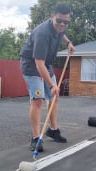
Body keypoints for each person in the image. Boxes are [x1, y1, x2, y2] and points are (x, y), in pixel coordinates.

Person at [20, 4, 75, 152]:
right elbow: (38, 64)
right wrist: (51, 85)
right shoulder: (42, 33)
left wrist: (68, 42)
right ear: (52, 17)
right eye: (59, 21)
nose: (62, 24)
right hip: (32, 66)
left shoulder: (60, 27)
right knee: (38, 100)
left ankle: (53, 130)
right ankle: (36, 138)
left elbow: (61, 34)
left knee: (54, 97)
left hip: (46, 64)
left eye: (66, 22)